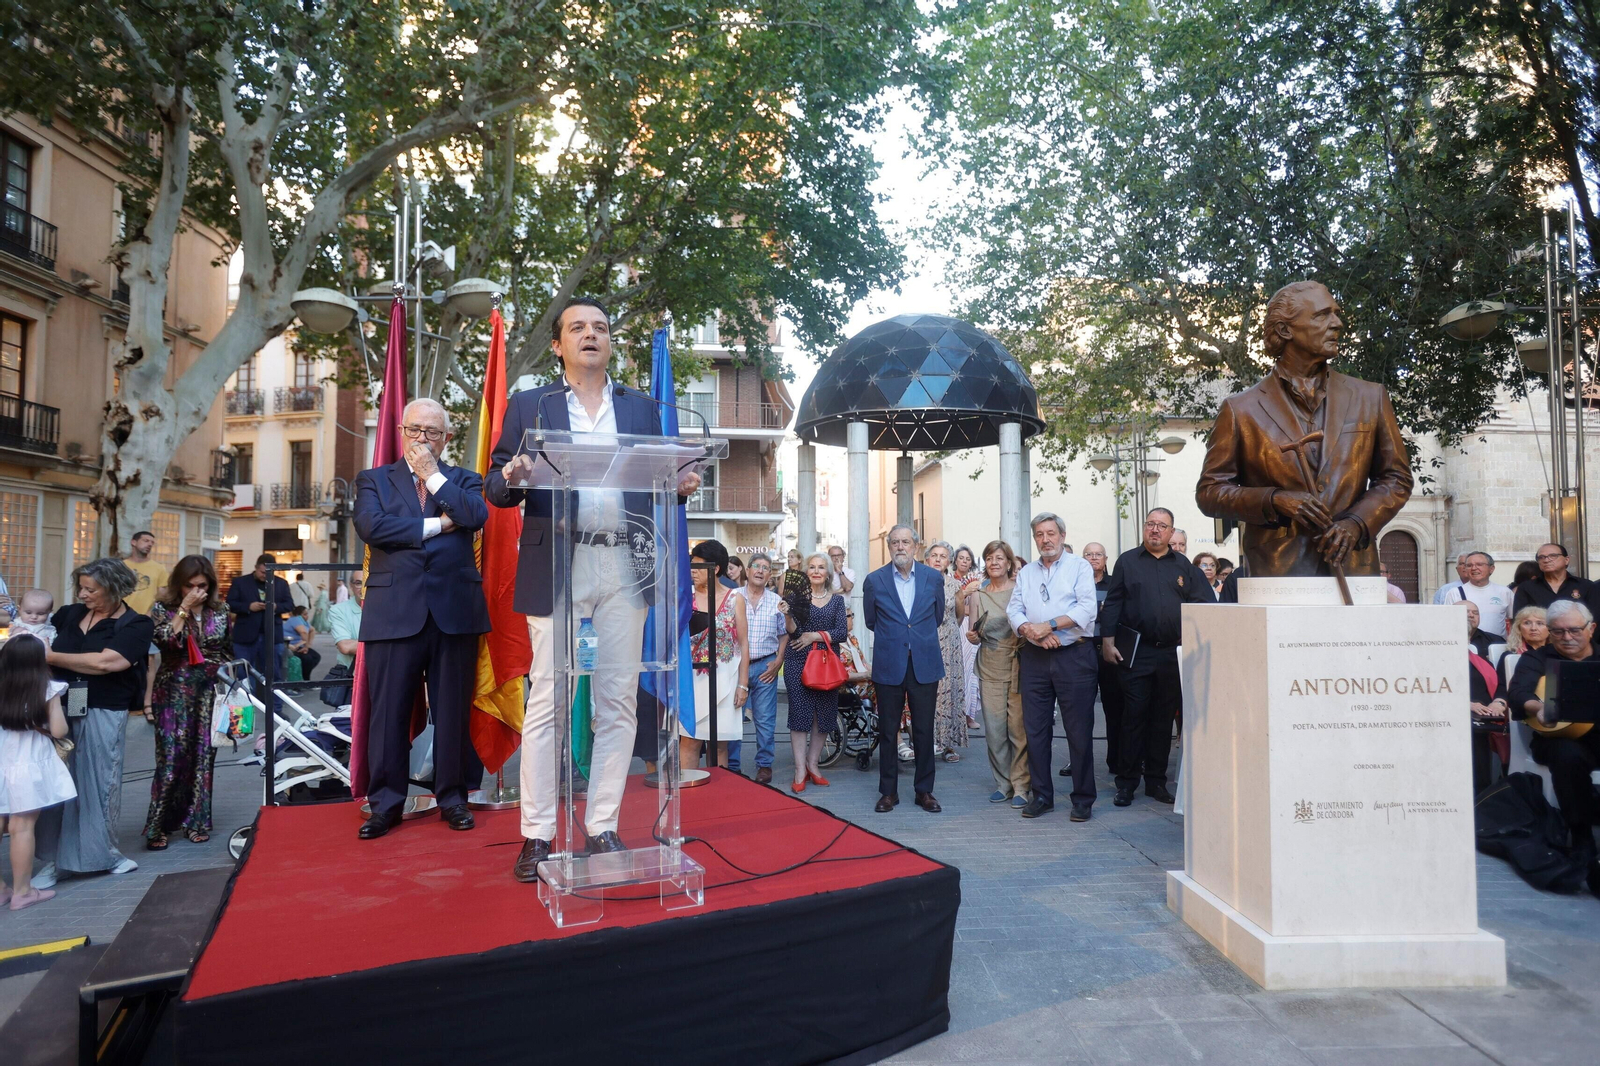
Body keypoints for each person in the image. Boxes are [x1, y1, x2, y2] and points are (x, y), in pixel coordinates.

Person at [488, 296, 702, 878]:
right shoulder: (530, 404)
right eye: (577, 327)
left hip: (625, 565)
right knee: (549, 701)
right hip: (558, 559)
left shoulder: (638, 407)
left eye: (600, 328)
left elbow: (664, 471)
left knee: (616, 700)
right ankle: (535, 834)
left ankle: (603, 825)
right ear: (557, 344)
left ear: (611, 343)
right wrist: (512, 476)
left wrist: (680, 480)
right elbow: (496, 486)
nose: (591, 335)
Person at [1195, 281, 1412, 580]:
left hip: (1354, 569)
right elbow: (1210, 493)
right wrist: (1275, 500)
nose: (1337, 324)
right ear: (1285, 330)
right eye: (1322, 315)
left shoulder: (1370, 397)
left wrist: (1356, 523)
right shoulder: (1241, 409)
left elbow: (1396, 478)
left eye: (1336, 314)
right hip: (1278, 571)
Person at [353, 397, 491, 840]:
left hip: (454, 613)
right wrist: (436, 526)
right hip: (393, 613)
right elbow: (372, 528)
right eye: (415, 430)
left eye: (432, 432)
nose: (422, 439)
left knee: (452, 714)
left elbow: (475, 514)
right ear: (401, 432)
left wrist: (432, 477)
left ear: (446, 438)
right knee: (389, 713)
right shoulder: (374, 479)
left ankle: (453, 798)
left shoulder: (464, 480)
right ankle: (385, 804)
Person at [34, 558, 154, 887]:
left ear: (115, 589)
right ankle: (53, 860)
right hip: (60, 707)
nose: (83, 594)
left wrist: (52, 657)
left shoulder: (136, 624)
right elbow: (30, 632)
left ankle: (104, 852)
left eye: (91, 589)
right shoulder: (69, 614)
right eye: (81, 588)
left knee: (101, 781)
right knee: (57, 780)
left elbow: (107, 662)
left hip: (104, 706)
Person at [1101, 508, 1216, 807]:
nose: (1155, 530)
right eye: (1151, 524)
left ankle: (1156, 782)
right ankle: (1126, 783)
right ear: (1144, 528)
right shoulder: (1127, 561)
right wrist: (1107, 641)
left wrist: (1190, 637)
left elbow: (1203, 603)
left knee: (1163, 721)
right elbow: (1112, 603)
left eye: (1162, 526)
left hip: (1170, 653)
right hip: (1136, 652)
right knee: (1133, 717)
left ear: (1171, 532)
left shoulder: (1183, 566)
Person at [1007, 513, 1099, 821]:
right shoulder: (1027, 572)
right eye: (1039, 535)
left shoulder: (1079, 566)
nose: (1045, 540)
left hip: (1074, 655)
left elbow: (1087, 608)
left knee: (1079, 730)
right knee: (1035, 730)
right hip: (1035, 656)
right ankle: (1042, 795)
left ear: (1061, 535)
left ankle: (1083, 798)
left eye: (1050, 533)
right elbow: (1014, 609)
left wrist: (1048, 626)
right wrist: (1031, 630)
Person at [1507, 599, 1600, 887]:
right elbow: (1518, 693)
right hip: (1556, 739)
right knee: (1567, 755)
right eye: (1558, 632)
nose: (1567, 638)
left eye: (1574, 630)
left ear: (1591, 628)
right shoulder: (1537, 658)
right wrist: (1538, 708)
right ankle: (1582, 839)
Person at [142, 556, 229, 850]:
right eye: (189, 585)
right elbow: (165, 639)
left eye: (202, 585)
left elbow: (225, 649)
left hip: (209, 691)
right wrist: (184, 608)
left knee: (203, 758)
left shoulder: (220, 610)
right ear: (179, 585)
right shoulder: (162, 609)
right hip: (173, 691)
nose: (196, 590)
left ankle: (197, 821)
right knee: (171, 758)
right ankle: (160, 825)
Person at [863, 526, 944, 812]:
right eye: (895, 542)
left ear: (916, 547)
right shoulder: (874, 580)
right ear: (889, 547)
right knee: (887, 731)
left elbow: (937, 616)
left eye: (905, 542)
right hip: (889, 665)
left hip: (924, 663)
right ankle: (888, 792)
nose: (900, 547)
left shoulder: (934, 578)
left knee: (923, 730)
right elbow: (871, 620)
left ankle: (925, 791)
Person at [0, 634, 74, 910]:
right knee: (21, 827)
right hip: (28, 763)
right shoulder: (46, 688)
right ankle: (23, 892)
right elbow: (58, 731)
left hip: (1, 759)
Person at [966, 540, 1029, 808]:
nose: (994, 562)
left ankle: (1022, 786)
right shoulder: (979, 594)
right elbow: (974, 636)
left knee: (1018, 730)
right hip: (989, 665)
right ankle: (1002, 783)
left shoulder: (1020, 591)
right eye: (989, 558)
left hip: (1018, 665)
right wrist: (972, 636)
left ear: (1009, 563)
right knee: (994, 730)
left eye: (999, 558)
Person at [780, 553, 848, 792]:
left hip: (827, 663)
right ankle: (800, 770)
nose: (816, 571)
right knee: (800, 717)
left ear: (828, 573)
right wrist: (787, 613)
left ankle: (813, 765)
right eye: (812, 567)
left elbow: (842, 632)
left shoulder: (837, 601)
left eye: (821, 567)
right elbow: (794, 632)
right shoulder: (796, 599)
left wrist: (815, 636)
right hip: (799, 660)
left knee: (824, 716)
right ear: (805, 571)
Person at [685, 539, 748, 771]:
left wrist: (743, 685)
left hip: (725, 681)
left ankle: (719, 800)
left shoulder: (735, 599)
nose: (692, 571)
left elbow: (743, 643)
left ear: (715, 569)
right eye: (691, 566)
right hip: (691, 680)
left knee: (720, 745)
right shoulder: (685, 598)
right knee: (689, 740)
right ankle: (688, 798)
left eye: (698, 566)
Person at [737, 553, 788, 784]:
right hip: (736, 668)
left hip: (765, 666)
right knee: (733, 716)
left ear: (770, 575)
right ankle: (732, 765)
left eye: (765, 568)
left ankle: (765, 765)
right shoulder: (733, 597)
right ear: (747, 571)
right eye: (755, 566)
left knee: (765, 719)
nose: (759, 570)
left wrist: (778, 660)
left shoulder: (776, 601)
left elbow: (784, 633)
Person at [226, 554, 292, 709]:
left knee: (274, 673)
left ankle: (276, 708)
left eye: (269, 573)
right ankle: (244, 707)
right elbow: (229, 603)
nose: (265, 576)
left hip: (272, 635)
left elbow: (289, 604)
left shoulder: (281, 584)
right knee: (243, 674)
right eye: (262, 572)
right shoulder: (240, 582)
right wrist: (248, 607)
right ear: (256, 568)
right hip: (245, 636)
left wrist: (276, 607)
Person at [923, 542, 969, 762]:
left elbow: (959, 615)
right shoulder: (918, 583)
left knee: (948, 692)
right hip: (924, 640)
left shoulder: (953, 586)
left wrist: (947, 633)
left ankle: (948, 744)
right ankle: (926, 741)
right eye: (934, 555)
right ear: (926, 559)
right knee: (927, 691)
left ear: (949, 561)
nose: (938, 559)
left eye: (943, 556)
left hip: (949, 643)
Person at [1082, 542, 1123, 776]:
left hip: (1108, 650)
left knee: (1114, 707)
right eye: (1089, 554)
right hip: (1083, 650)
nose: (1093, 558)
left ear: (1106, 559)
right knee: (1081, 710)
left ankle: (1115, 758)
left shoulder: (1114, 585)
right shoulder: (1077, 585)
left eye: (1098, 554)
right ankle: (1078, 760)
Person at [1435, 551, 1513, 637]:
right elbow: (1448, 622)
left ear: (1491, 569)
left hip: (1497, 647)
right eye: (1469, 565)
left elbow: (1514, 621)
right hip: (1467, 646)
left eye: (1479, 564)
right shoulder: (1455, 593)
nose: (1474, 568)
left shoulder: (1505, 592)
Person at [1511, 543, 1591, 615]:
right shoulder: (1526, 588)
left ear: (1566, 560)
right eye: (1541, 557)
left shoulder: (1586, 586)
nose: (1546, 560)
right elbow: (1519, 619)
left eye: (1553, 556)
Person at [1497, 606, 1547, 694]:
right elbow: (1502, 688)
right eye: (1527, 623)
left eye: (1540, 623)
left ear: (1550, 628)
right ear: (1519, 628)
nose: (1533, 628)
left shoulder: (1558, 653)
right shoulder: (1509, 655)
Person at [122, 530, 167, 615]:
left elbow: (162, 596)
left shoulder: (159, 568)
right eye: (146, 541)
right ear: (133, 542)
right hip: (121, 616)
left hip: (146, 617)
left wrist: (152, 613)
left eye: (152, 542)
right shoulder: (121, 566)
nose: (150, 544)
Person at [328, 572, 365, 669]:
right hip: (352, 676)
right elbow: (345, 646)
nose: (364, 588)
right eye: (359, 583)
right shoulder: (338, 610)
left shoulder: (387, 608)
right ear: (351, 585)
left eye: (368, 583)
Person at [284, 606, 319, 680]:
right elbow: (303, 632)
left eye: (307, 614)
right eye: (304, 614)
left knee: (315, 656)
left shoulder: (304, 622)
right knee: (307, 659)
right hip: (290, 646)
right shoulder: (296, 619)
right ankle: (305, 680)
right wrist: (305, 647)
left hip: (299, 646)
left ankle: (303, 676)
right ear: (298, 614)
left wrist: (308, 645)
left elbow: (312, 630)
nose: (307, 616)